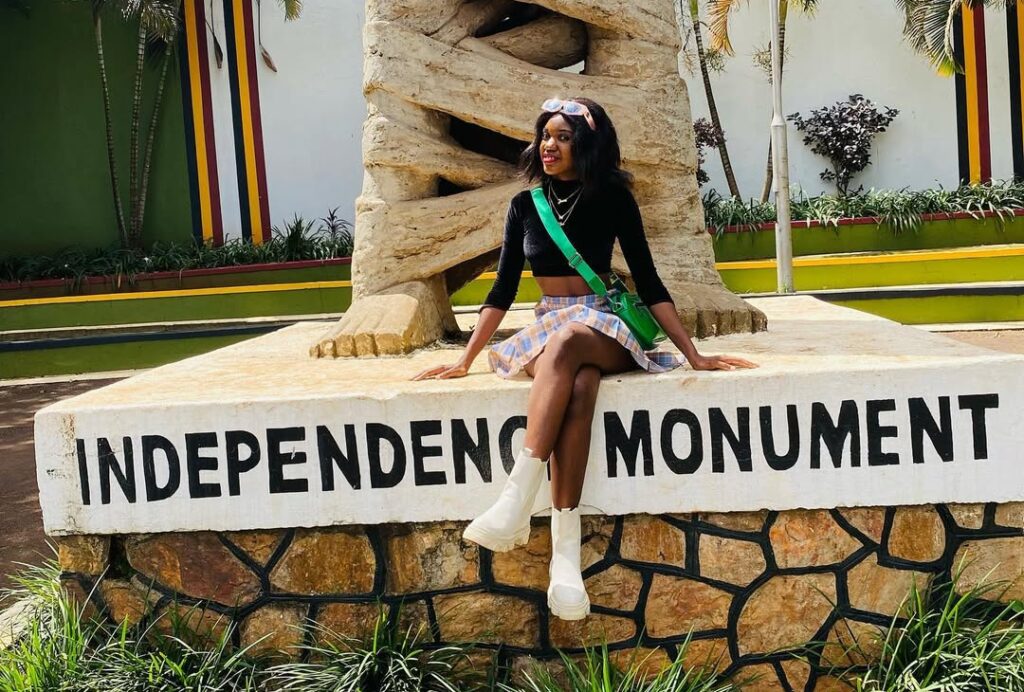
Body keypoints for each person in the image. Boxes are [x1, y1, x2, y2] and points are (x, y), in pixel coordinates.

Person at [413, 97, 757, 620]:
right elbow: (502, 290)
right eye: (544, 136)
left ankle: (516, 499)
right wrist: (465, 359)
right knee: (577, 383)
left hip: (602, 325)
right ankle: (565, 561)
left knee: (571, 340)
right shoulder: (525, 206)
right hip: (549, 324)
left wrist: (694, 354)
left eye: (563, 137)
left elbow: (648, 279)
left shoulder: (613, 196)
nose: (548, 146)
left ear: (587, 144)